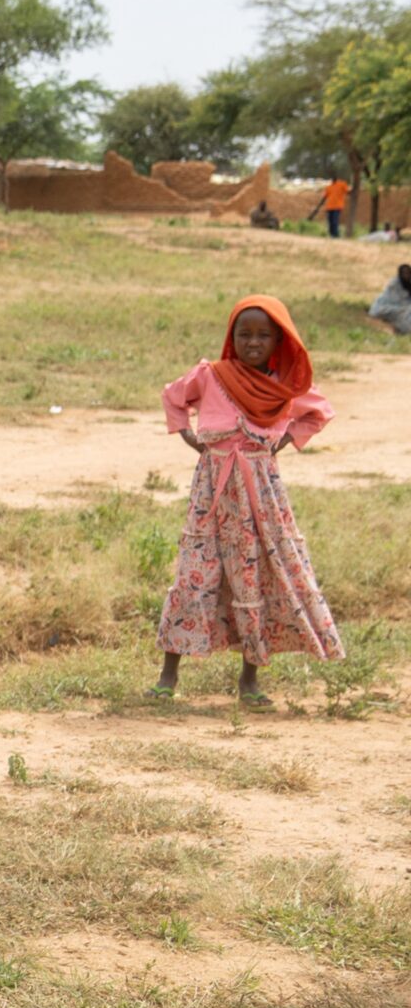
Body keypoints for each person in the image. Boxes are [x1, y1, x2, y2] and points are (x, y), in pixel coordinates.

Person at [151, 296, 341, 706]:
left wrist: (282, 442)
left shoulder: (285, 388)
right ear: (231, 337)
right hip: (212, 494)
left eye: (263, 335)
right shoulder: (211, 375)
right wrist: (187, 434)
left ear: (279, 341)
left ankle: (249, 681)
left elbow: (319, 412)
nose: (253, 342)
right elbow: (173, 396)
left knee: (256, 575)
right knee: (195, 574)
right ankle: (168, 677)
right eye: (244, 334)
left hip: (261, 498)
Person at [371, 263, 411, 335]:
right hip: (386, 307)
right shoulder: (394, 284)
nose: (406, 276)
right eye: (404, 273)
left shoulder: (409, 283)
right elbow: (395, 300)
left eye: (408, 273)